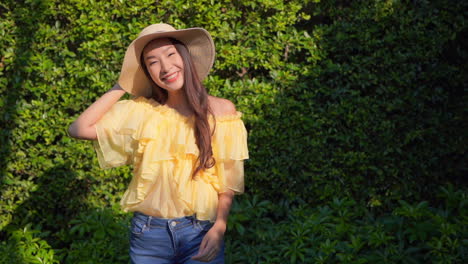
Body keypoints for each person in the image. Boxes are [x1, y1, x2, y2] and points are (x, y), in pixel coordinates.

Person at [68, 23, 249, 263]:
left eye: (171, 55)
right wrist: (123, 83)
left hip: (201, 232)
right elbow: (79, 129)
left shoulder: (222, 111)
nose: (165, 67)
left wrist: (219, 228)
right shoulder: (142, 112)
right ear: (147, 73)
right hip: (148, 236)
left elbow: (226, 184)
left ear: (185, 56)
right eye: (152, 62)